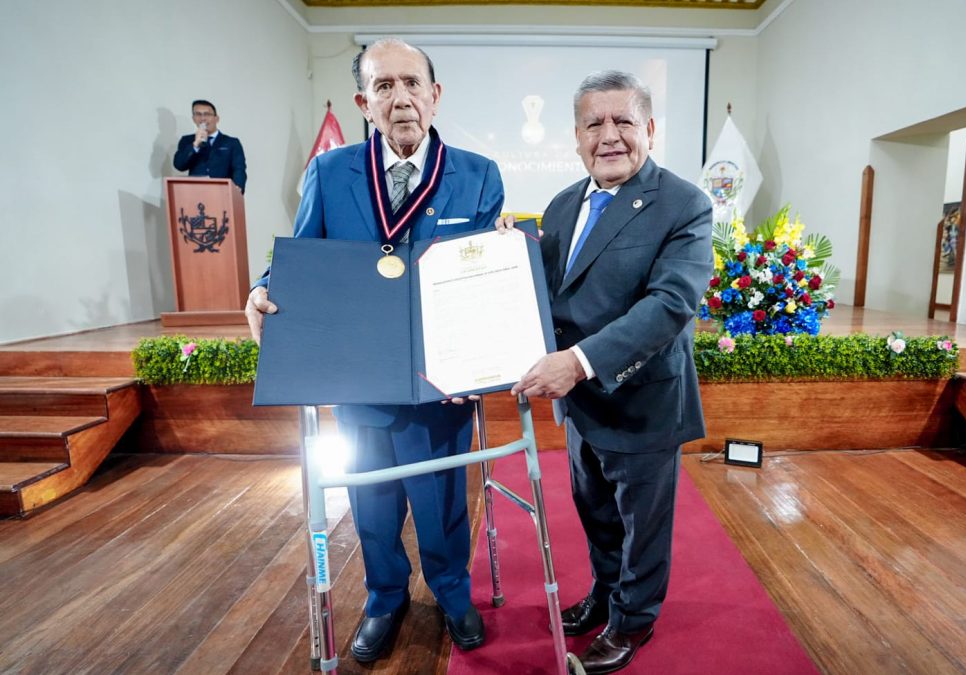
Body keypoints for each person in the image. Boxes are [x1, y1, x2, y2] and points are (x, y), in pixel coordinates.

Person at [244, 39, 504, 663]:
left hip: (441, 380)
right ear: (364, 102)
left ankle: (450, 592)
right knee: (371, 502)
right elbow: (304, 255)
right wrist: (263, 288)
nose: (400, 98)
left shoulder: (478, 174)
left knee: (442, 500)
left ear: (435, 95)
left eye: (412, 83)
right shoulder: (331, 174)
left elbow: (487, 271)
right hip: (359, 375)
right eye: (383, 86)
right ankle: (385, 596)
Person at [501, 71, 713, 674]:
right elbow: (542, 291)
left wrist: (580, 362)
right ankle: (605, 593)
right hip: (580, 404)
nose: (610, 135)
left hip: (642, 397)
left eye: (623, 121)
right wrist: (501, 257)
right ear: (575, 136)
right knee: (594, 509)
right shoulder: (563, 204)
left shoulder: (685, 203)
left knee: (641, 524)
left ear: (649, 128)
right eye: (595, 123)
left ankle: (632, 621)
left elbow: (670, 306)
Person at [173, 99, 247, 193]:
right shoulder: (187, 141)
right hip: (195, 194)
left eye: (207, 114)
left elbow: (239, 169)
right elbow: (179, 165)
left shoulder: (231, 142)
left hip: (223, 193)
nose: (203, 118)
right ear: (193, 118)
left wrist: (237, 189)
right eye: (198, 114)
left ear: (216, 118)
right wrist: (195, 145)